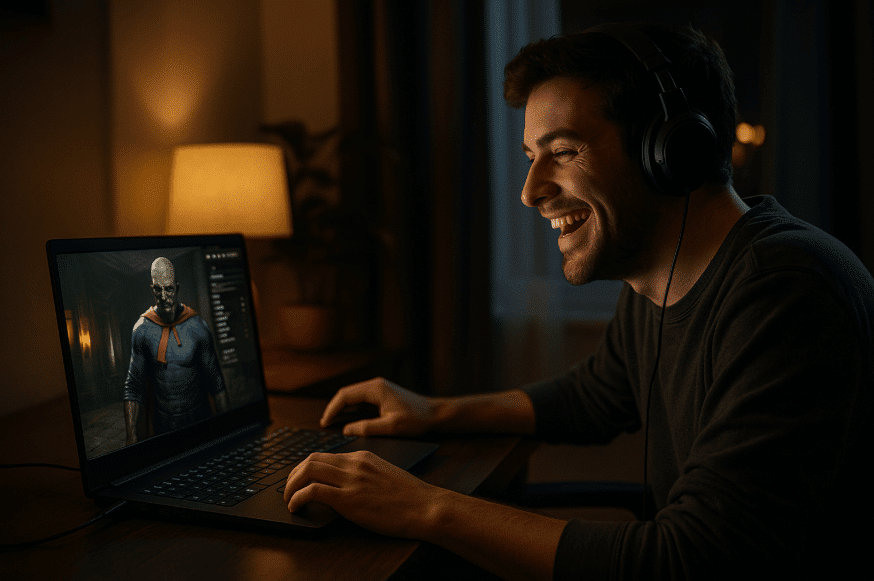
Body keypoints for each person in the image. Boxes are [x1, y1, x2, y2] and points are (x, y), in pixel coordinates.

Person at [282, 22, 873, 580]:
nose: (531, 190)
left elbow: (691, 560)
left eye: (562, 151)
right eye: (530, 157)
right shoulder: (661, 271)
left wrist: (426, 508)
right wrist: (437, 412)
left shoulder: (787, 290)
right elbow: (599, 394)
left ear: (668, 149)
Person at [123, 257, 229, 445]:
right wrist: (131, 436)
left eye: (169, 289)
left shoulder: (197, 327)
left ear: (177, 288)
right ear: (152, 289)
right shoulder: (141, 330)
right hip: (163, 426)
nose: (164, 296)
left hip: (199, 422)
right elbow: (134, 387)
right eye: (158, 289)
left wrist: (229, 431)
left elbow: (216, 382)